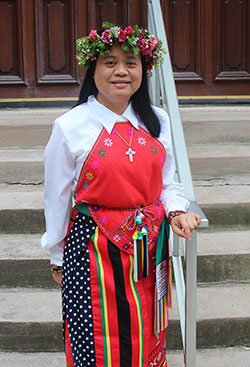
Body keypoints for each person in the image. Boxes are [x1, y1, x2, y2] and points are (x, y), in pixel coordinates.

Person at [41, 22, 201, 367]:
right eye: (109, 62)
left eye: (130, 62)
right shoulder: (71, 126)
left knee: (148, 328)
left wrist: (176, 212)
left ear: (143, 69)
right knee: (94, 334)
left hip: (148, 247)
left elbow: (168, 182)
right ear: (93, 70)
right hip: (92, 250)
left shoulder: (157, 120)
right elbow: (56, 198)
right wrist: (57, 254)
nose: (121, 71)